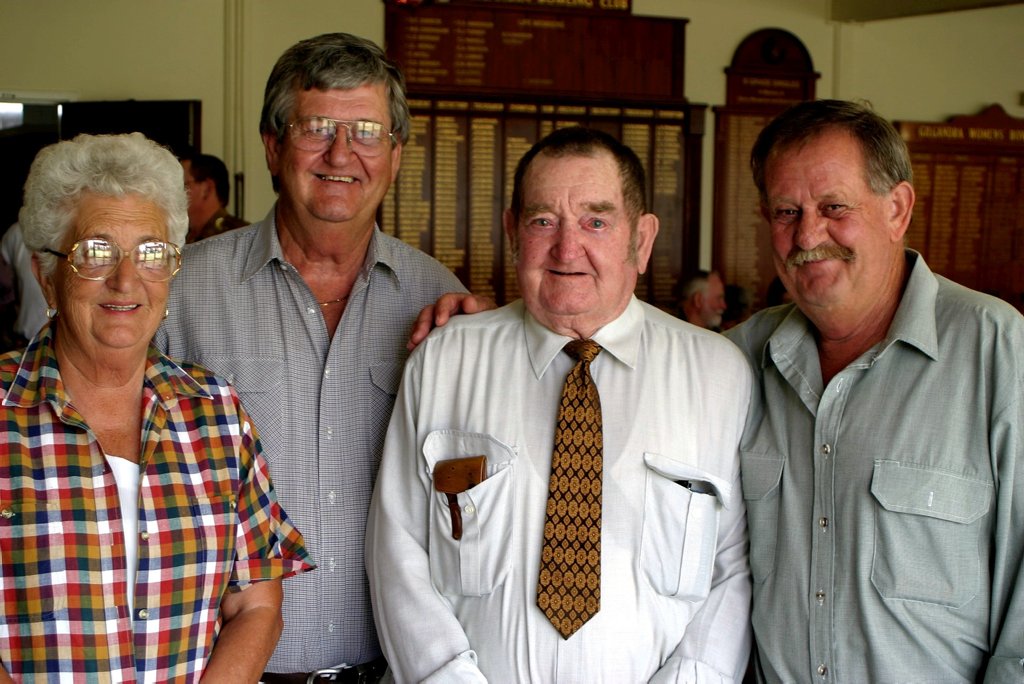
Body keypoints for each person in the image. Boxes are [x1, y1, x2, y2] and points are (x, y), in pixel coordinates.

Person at [367, 126, 753, 682]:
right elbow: (397, 547)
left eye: (596, 221)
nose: (567, 249)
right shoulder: (445, 361)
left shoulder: (719, 375)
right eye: (543, 220)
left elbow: (731, 569)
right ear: (512, 232)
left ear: (641, 241)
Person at [155, 33, 469, 681]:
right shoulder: (178, 293)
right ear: (273, 147)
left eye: (366, 132)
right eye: (317, 127)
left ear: (396, 154)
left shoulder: (444, 302)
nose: (341, 153)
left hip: (396, 672)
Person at [725, 99, 1024, 682]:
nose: (808, 234)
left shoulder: (999, 351)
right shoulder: (735, 361)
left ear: (898, 209)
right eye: (786, 211)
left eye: (834, 207)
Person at [0, 132, 313, 682]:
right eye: (95, 252)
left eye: (150, 253)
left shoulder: (216, 412)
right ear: (47, 276)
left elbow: (256, 605)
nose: (126, 279)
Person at [179, 151, 248, 242]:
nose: (175, 193)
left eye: (182, 185)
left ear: (206, 189)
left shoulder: (239, 236)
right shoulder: (180, 234)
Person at [1, 222, 47, 344]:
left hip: (32, 336)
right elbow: (4, 283)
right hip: (26, 339)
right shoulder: (17, 232)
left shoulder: (17, 231)